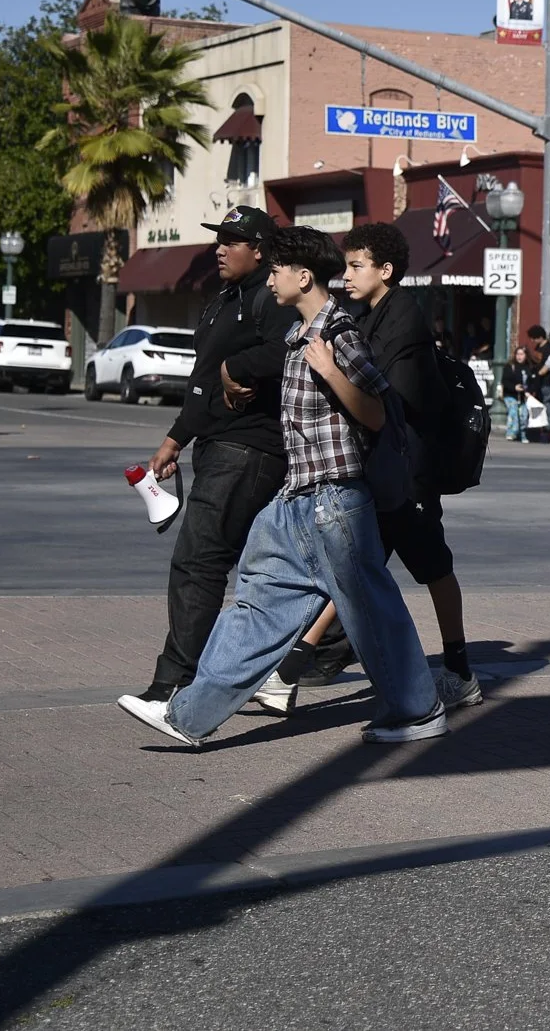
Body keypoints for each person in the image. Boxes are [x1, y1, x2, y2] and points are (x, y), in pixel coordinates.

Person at [117, 225, 446, 747]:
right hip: (296, 501)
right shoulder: (297, 337)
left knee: (370, 613)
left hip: (338, 501)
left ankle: (418, 711)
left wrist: (333, 374)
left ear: (304, 275)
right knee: (256, 604)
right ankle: (187, 715)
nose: (270, 278)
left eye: (276, 270)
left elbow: (380, 414)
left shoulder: (339, 335)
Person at [279, 222, 479, 713]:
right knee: (354, 567)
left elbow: (388, 398)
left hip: (408, 470)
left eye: (356, 266)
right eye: (346, 265)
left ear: (385, 271)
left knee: (432, 567)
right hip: (383, 468)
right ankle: (290, 669)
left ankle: (458, 671)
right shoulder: (369, 315)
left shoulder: (403, 319)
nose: (347, 275)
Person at [132, 207, 298, 704]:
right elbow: (205, 377)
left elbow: (293, 347)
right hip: (216, 445)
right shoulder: (223, 298)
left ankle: (174, 683)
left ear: (261, 250)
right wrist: (176, 438)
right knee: (269, 570)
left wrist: (237, 365)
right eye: (219, 239)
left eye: (233, 240)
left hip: (250, 448)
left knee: (197, 562)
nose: (220, 249)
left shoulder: (272, 297)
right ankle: (287, 666)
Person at [502, 345, 534, 442]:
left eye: (522, 354)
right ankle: (511, 433)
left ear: (526, 355)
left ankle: (522, 435)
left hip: (523, 396)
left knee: (523, 415)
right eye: (517, 354)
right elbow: (505, 381)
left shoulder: (529, 367)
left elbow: (533, 382)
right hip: (510, 395)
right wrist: (514, 387)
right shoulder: (510, 366)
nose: (519, 356)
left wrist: (528, 391)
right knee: (514, 412)